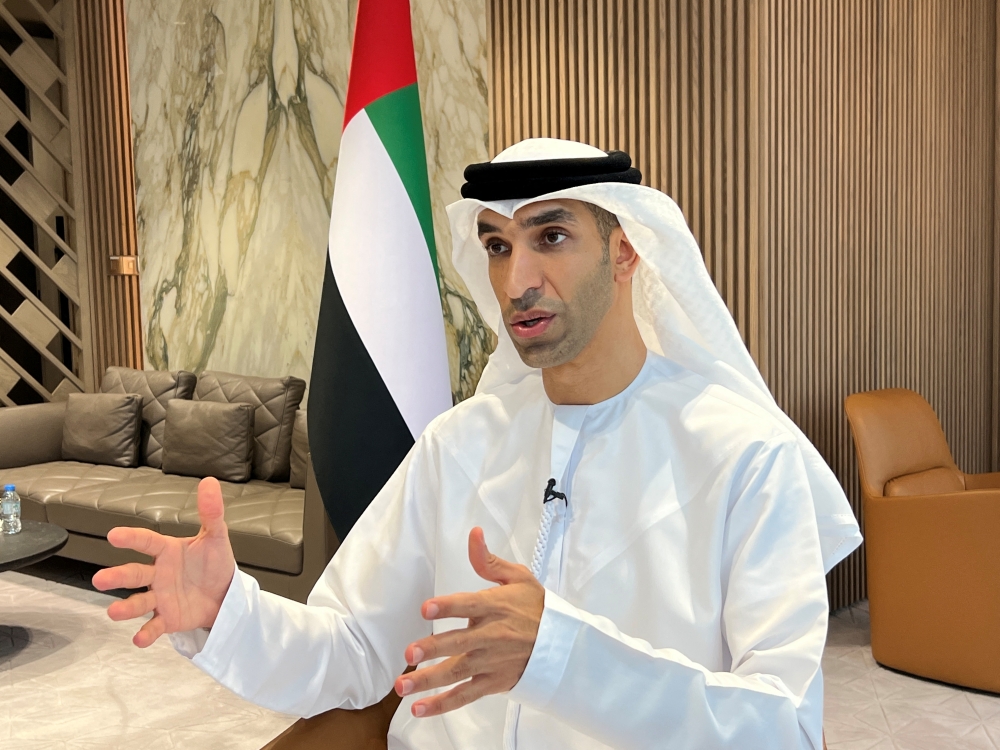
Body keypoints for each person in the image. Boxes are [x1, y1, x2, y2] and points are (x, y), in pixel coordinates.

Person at [94, 138, 862, 750]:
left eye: (551, 236)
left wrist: (558, 656)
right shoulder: (460, 443)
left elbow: (781, 728)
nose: (516, 279)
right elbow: (355, 650)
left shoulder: (749, 458)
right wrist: (231, 614)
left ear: (626, 253)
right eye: (496, 246)